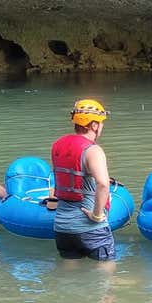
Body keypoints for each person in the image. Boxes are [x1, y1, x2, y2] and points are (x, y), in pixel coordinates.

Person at [51, 99, 115, 262]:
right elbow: (103, 183)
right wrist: (97, 215)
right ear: (93, 125)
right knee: (105, 275)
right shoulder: (93, 150)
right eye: (100, 123)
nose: (102, 127)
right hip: (90, 228)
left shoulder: (58, 145)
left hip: (62, 226)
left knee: (69, 276)